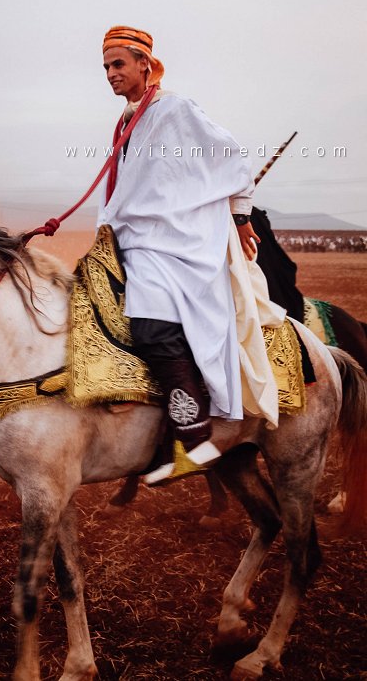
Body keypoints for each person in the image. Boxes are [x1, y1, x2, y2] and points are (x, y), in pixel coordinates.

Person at [97, 25, 280, 483]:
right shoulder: (125, 122)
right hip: (135, 242)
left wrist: (241, 219)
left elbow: (232, 158)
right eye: (105, 67)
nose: (111, 74)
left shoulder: (175, 109)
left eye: (118, 64)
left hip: (178, 245)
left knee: (152, 327)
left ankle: (195, 439)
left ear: (144, 63)